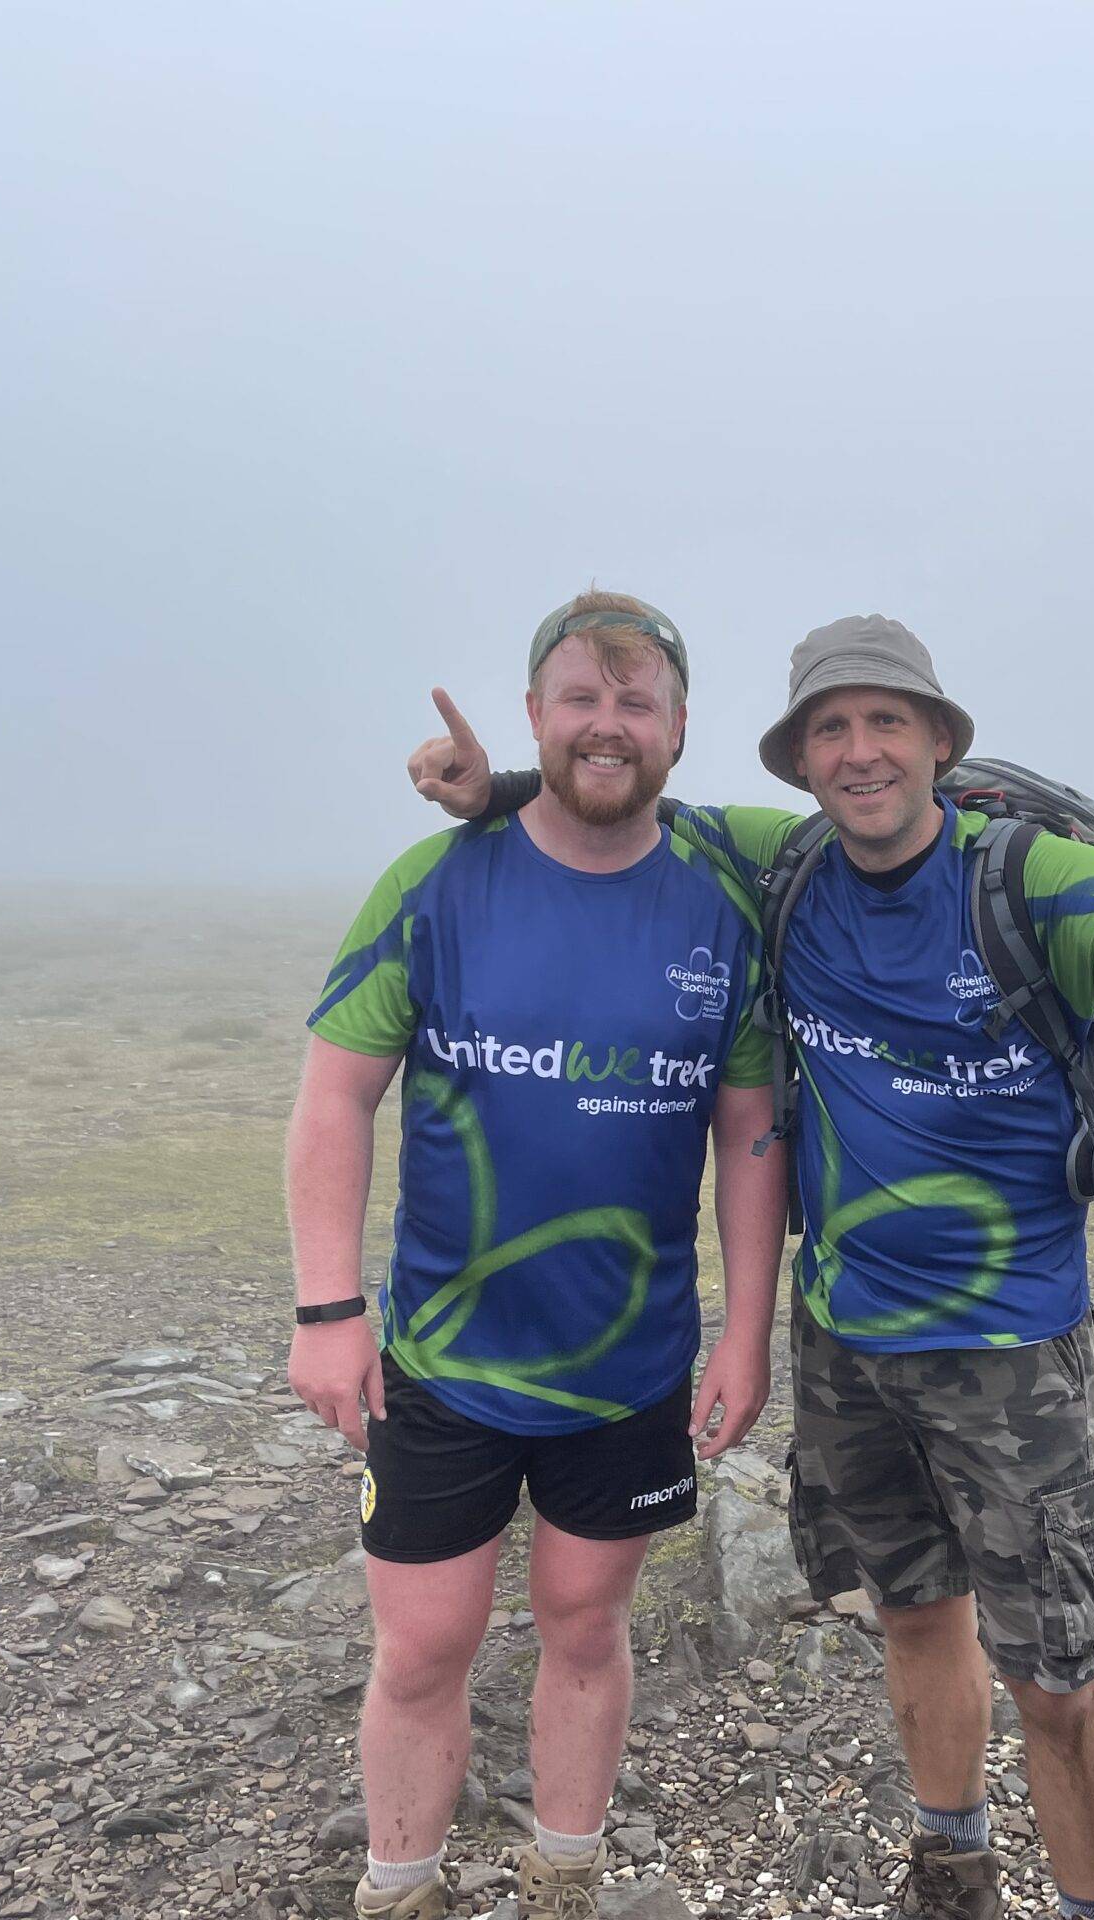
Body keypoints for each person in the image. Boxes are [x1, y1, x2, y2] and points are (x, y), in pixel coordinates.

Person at [408, 614, 1094, 1920]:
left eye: (886, 722)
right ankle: (950, 1872)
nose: (859, 752)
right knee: (911, 1616)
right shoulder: (785, 860)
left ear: (939, 743)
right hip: (845, 1339)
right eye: (831, 730)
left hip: (1007, 1351)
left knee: (1057, 1680)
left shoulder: (1022, 879)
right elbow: (626, 798)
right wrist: (494, 789)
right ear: (802, 760)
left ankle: (1092, 1909)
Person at [290, 592, 786, 1920]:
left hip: (629, 1363)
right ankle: (399, 1888)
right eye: (581, 698)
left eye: (635, 702)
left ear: (680, 727)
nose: (606, 725)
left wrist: (746, 1333)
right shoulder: (437, 883)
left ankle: (564, 1874)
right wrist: (327, 1309)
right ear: (532, 715)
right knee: (421, 1648)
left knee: (585, 1626)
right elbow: (335, 1094)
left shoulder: (721, 906)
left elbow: (750, 1134)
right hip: (444, 1356)